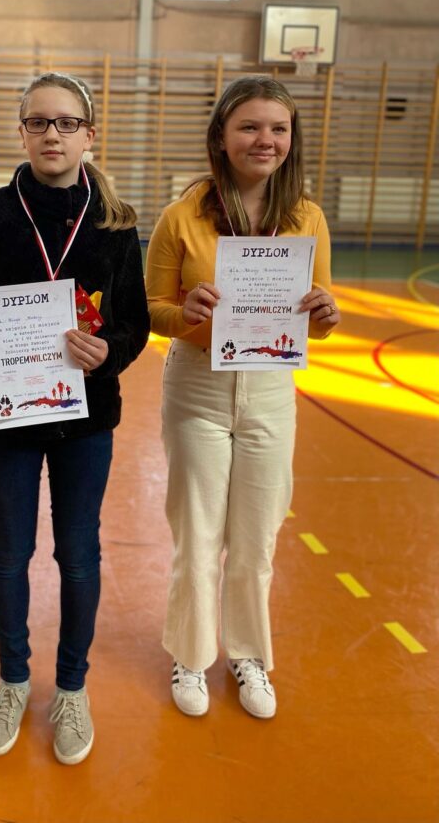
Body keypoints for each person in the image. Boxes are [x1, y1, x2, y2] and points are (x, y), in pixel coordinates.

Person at [0, 72, 149, 765]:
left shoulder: (116, 222)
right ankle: (13, 681)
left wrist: (107, 353)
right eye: (38, 122)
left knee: (78, 552)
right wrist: (14, 372)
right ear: (22, 132)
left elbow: (134, 324)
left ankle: (71, 687)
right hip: (7, 418)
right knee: (10, 551)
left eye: (66, 123)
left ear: (90, 135)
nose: (52, 134)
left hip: (86, 422)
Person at [145, 75, 340, 721]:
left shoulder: (307, 217)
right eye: (250, 126)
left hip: (270, 389)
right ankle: (191, 654)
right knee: (197, 533)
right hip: (197, 387)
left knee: (256, 539)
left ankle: (249, 654)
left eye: (278, 128)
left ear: (292, 138)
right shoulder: (182, 216)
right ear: (221, 137)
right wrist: (185, 313)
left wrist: (326, 313)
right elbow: (150, 309)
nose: (265, 140)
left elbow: (318, 316)